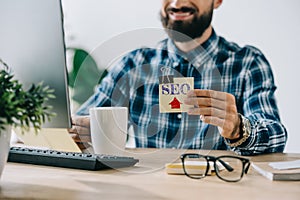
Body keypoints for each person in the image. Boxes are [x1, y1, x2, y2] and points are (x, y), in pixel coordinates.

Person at [68, 0, 287, 156]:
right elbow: (80, 123)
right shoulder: (133, 65)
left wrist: (239, 128)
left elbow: (276, 136)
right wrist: (82, 132)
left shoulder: (247, 63)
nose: (177, 2)